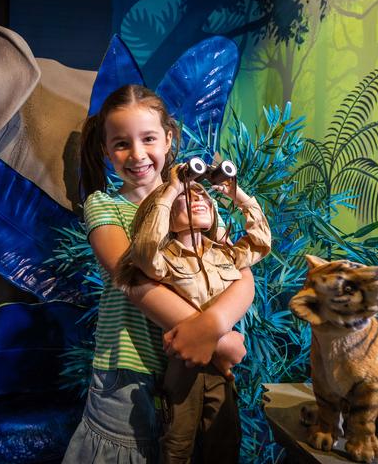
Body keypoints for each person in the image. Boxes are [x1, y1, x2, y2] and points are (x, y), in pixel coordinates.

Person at [62, 84, 255, 463]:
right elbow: (133, 280)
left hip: (195, 367)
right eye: (121, 143)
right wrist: (216, 339)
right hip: (130, 371)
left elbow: (239, 269)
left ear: (168, 139)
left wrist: (215, 323)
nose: (137, 154)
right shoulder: (105, 206)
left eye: (148, 138)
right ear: (105, 149)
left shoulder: (196, 197)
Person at [115, 166, 272, 463]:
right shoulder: (163, 258)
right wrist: (171, 189)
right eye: (186, 198)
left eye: (203, 196)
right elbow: (145, 250)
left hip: (221, 368)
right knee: (177, 443)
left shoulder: (225, 255)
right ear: (167, 216)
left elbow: (261, 243)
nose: (198, 199)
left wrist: (237, 195)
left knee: (225, 439)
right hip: (184, 363)